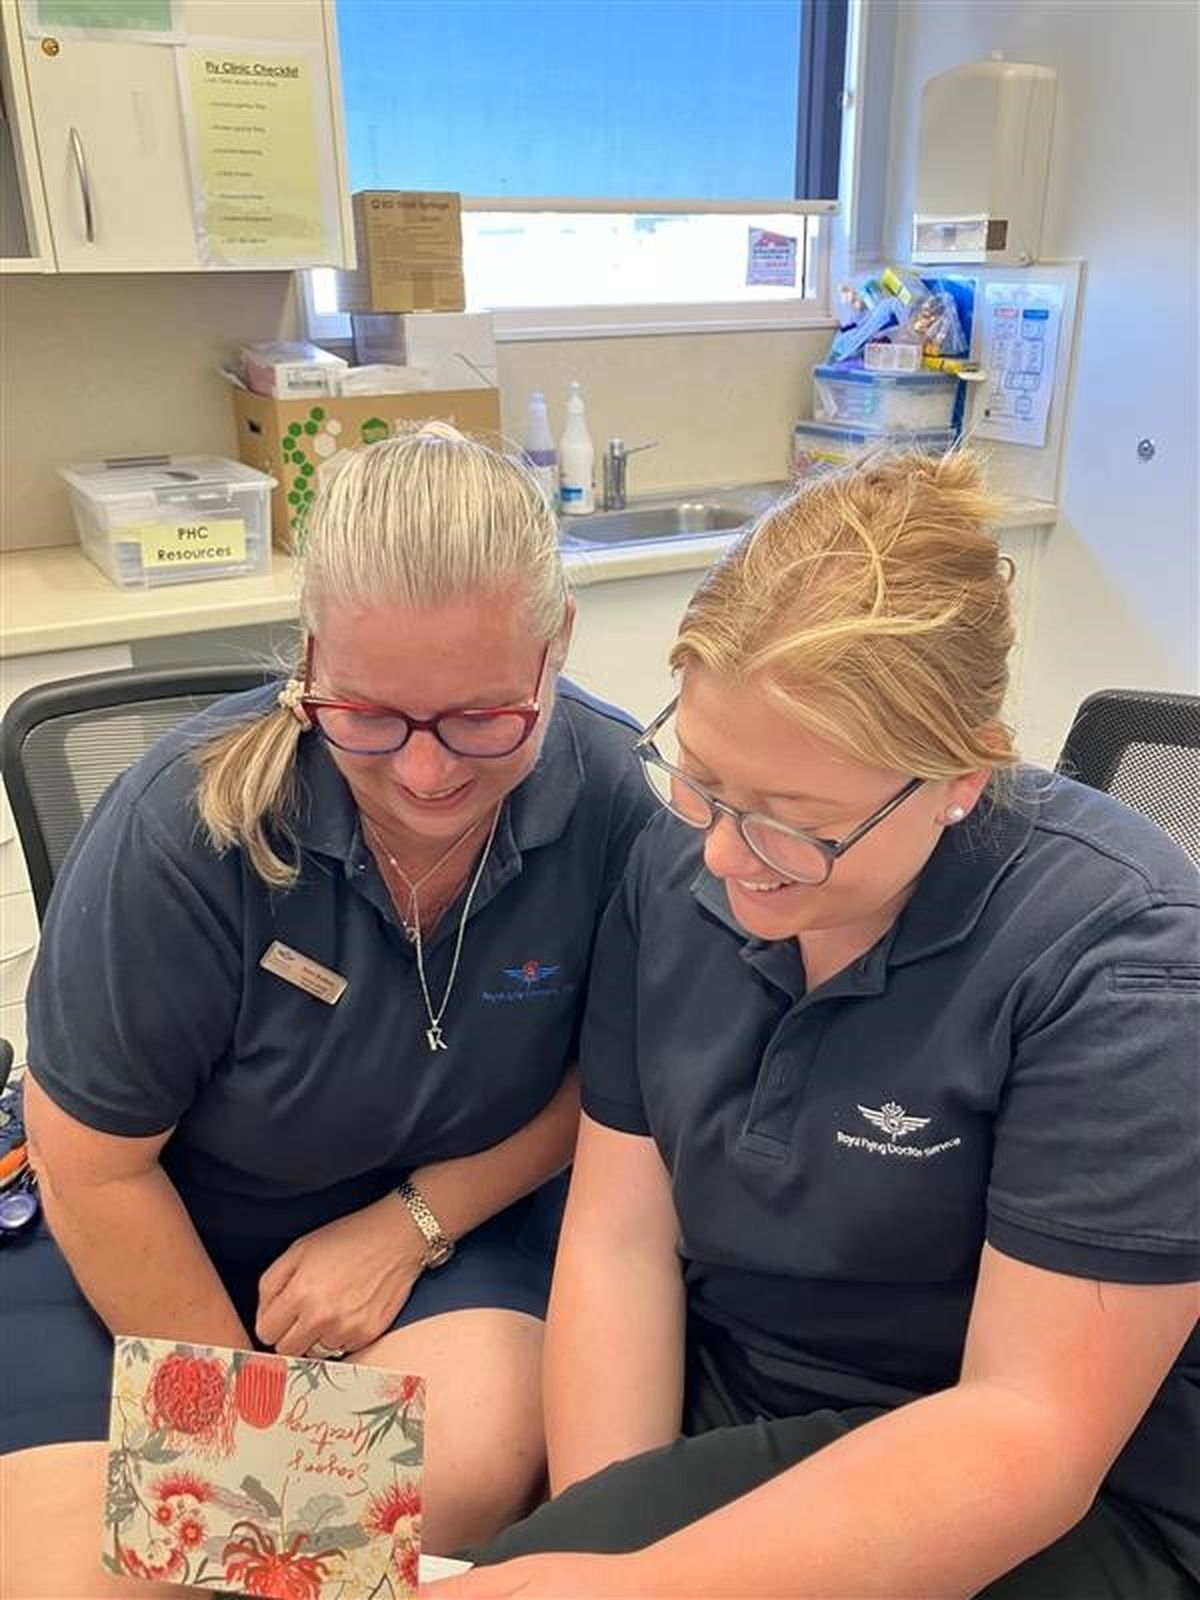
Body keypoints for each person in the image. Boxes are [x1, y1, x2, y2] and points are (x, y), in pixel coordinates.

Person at [437, 451, 1200, 1599]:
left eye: (801, 825)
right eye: (701, 780)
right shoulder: (678, 866)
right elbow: (621, 1234)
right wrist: (602, 1532)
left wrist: (632, 1587)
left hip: (1031, 1471)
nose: (727, 857)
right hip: (744, 1393)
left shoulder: (1119, 956)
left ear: (960, 774)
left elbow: (1029, 1431)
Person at [0, 424, 657, 1599]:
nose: (424, 774)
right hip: (133, 1227)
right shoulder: (184, 827)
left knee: (474, 1464)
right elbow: (92, 1163)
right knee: (110, 1570)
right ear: (307, 655)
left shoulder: (615, 801)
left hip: (433, 1236)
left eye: (482, 718)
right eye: (366, 715)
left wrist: (410, 1223)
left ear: (556, 649)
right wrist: (248, 1433)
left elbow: (610, 1084)